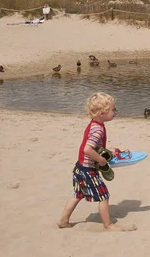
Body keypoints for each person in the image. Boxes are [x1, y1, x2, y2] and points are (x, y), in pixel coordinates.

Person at [57, 92, 136, 231]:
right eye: (113, 109)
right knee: (104, 196)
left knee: (78, 194)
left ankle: (63, 221)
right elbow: (88, 149)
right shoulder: (98, 130)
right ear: (102, 113)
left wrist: (108, 151)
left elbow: (94, 146)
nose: (115, 112)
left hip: (79, 167)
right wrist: (101, 160)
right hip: (88, 170)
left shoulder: (94, 124)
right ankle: (108, 225)